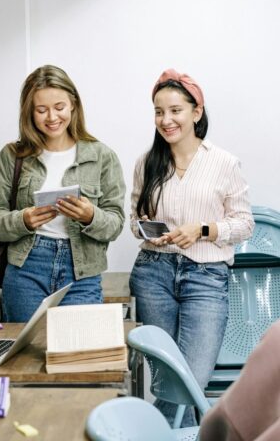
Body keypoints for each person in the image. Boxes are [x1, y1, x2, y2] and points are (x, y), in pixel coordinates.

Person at [129, 68, 254, 427]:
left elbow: (244, 224)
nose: (165, 120)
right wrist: (149, 231)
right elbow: (133, 222)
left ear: (196, 112)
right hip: (153, 274)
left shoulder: (224, 163)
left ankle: (147, 432)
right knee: (168, 380)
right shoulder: (147, 163)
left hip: (206, 278)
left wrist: (202, 229)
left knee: (189, 380)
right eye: (158, 112)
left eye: (175, 110)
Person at [0, 65, 126, 322]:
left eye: (59, 107)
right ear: (29, 112)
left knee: (77, 356)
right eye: (41, 110)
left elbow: (115, 224)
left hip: (82, 272)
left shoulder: (102, 156)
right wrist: (23, 220)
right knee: (24, 357)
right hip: (26, 269)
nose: (52, 117)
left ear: (73, 104)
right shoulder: (12, 156)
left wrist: (90, 216)